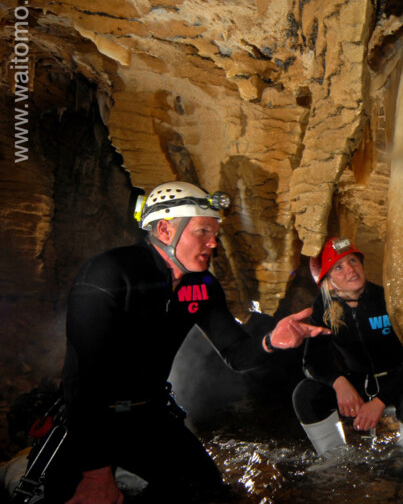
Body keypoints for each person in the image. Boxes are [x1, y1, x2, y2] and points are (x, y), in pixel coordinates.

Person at [43, 181, 328, 504]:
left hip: (149, 416)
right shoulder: (109, 274)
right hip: (93, 418)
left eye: (215, 234)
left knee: (209, 494)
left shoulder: (202, 286)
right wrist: (96, 474)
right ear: (165, 230)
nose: (213, 243)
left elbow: (237, 355)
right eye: (203, 232)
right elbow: (83, 378)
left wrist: (271, 341)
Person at [292, 237, 403, 455]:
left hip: (400, 378)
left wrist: (380, 401)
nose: (350, 269)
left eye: (353, 261)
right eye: (339, 267)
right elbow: (312, 361)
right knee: (305, 394)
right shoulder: (323, 309)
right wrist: (339, 383)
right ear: (328, 280)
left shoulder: (389, 300)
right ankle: (334, 458)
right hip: (359, 381)